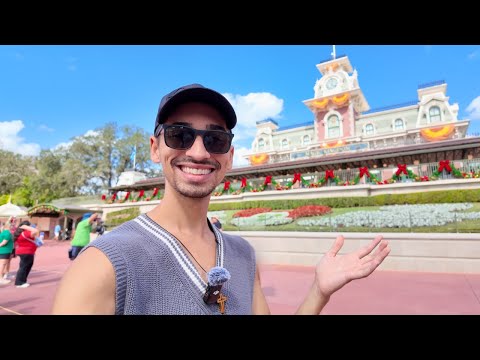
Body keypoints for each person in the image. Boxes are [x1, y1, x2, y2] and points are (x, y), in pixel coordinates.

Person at [52, 83, 390, 315]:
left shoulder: (242, 255)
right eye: (179, 135)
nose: (198, 152)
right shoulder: (104, 265)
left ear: (228, 157)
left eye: (214, 139)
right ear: (155, 148)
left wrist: (319, 290)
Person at [13, 221, 40, 288]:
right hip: (27, 252)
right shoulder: (26, 233)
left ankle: (22, 281)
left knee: (25, 267)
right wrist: (27, 227)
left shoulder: (19, 233)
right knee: (24, 267)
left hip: (25, 252)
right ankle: (19, 282)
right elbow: (36, 231)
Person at [0, 220, 14, 284]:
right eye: (12, 225)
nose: (13, 226)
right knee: (3, 265)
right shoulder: (8, 233)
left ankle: (2, 277)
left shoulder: (3, 232)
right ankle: (1, 278)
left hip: (4, 250)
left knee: (2, 264)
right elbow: (3, 243)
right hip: (5, 250)